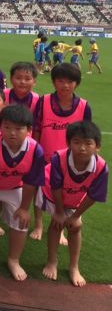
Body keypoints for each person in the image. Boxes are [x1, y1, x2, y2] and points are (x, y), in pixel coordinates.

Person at [0, 105, 46, 281]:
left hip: (15, 187)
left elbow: (30, 182)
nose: (12, 133)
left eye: (19, 128)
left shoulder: (36, 150)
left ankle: (14, 260)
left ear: (29, 130)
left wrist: (24, 208)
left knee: (21, 221)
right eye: (7, 127)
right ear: (0, 127)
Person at [38, 121, 108, 287]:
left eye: (88, 143)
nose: (82, 148)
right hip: (53, 194)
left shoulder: (101, 167)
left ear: (97, 146)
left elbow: (93, 195)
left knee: (75, 227)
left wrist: (76, 216)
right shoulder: (58, 159)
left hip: (76, 198)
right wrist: (59, 212)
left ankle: (73, 267)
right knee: (57, 224)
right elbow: (56, 186)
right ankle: (52, 261)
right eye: (77, 142)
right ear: (68, 143)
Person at [30, 63, 91, 240]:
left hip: (70, 161)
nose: (65, 85)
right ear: (53, 81)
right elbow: (37, 128)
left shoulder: (84, 106)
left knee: (64, 194)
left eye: (70, 81)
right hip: (44, 156)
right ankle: (38, 224)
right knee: (39, 191)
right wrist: (35, 151)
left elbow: (87, 134)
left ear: (76, 83)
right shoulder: (44, 101)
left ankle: (60, 228)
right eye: (60, 81)